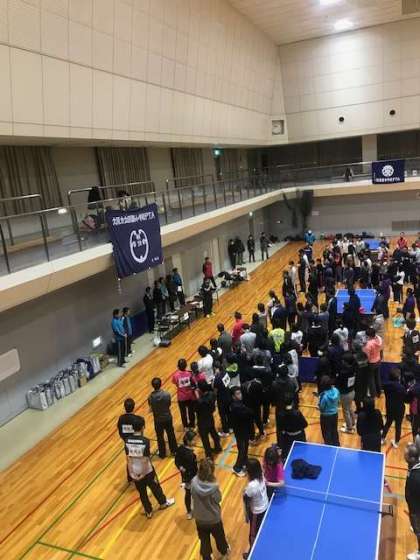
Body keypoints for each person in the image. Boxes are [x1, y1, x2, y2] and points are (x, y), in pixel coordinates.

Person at [125, 417, 175, 518]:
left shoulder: (127, 441)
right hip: (147, 471)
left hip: (135, 471)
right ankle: (163, 503)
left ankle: (148, 511)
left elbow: (128, 458)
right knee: (155, 487)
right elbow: (145, 459)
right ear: (142, 427)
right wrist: (143, 474)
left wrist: (131, 473)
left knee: (142, 493)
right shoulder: (145, 441)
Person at [191, 458, 230, 560]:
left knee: (204, 540)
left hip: (199, 518)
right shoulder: (214, 486)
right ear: (212, 471)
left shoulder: (194, 482)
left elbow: (192, 495)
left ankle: (206, 557)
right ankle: (224, 552)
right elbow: (218, 499)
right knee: (219, 538)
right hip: (213, 519)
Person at [243, 458, 269, 559]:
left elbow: (246, 500)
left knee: (252, 534)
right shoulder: (261, 475)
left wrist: (246, 515)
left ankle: (252, 554)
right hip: (265, 506)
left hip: (257, 512)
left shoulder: (252, 486)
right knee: (259, 530)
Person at [148, 377, 177, 459]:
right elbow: (168, 404)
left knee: (160, 436)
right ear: (160, 384)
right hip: (167, 417)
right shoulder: (166, 394)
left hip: (158, 420)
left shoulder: (150, 397)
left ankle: (162, 453)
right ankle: (174, 451)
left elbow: (151, 407)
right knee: (171, 434)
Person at [230, 386, 254, 477]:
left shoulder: (240, 404)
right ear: (233, 396)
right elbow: (249, 413)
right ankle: (236, 467)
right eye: (237, 394)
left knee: (245, 447)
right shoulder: (236, 407)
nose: (240, 395)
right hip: (240, 431)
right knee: (242, 449)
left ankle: (244, 462)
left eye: (240, 393)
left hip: (244, 429)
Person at [195, 381, 222, 458]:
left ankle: (209, 455)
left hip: (202, 422)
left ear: (200, 390)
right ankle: (218, 447)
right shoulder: (212, 394)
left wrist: (197, 397)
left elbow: (195, 409)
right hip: (210, 418)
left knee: (205, 439)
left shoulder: (200, 401)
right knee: (213, 433)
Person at [175, 430, 198, 519]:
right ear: (188, 441)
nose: (196, 441)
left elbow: (177, 461)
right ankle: (190, 511)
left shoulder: (180, 448)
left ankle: (190, 511)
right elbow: (193, 468)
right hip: (190, 477)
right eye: (194, 440)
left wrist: (180, 467)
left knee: (189, 494)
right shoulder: (190, 455)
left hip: (187, 476)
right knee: (191, 494)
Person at [381, 368, 406, 448]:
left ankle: (382, 438)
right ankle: (396, 442)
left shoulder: (386, 385)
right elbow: (406, 399)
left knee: (388, 422)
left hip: (390, 407)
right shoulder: (401, 387)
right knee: (398, 425)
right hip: (400, 408)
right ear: (398, 377)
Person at [405, 439, 420, 560]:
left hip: (416, 508)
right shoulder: (414, 467)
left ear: (411, 458)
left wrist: (415, 514)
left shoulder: (415, 477)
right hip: (414, 506)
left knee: (418, 531)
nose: (403, 456)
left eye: (405, 454)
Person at [336, 352, 357, 434]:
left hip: (345, 394)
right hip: (352, 391)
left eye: (343, 360)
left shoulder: (343, 373)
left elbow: (338, 383)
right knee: (350, 407)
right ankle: (353, 422)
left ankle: (349, 428)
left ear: (346, 362)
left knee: (345, 411)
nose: (342, 361)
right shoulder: (353, 369)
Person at [172, 358, 195, 429]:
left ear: (178, 366)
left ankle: (185, 426)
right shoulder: (190, 373)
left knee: (183, 413)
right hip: (190, 396)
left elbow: (175, 382)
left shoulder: (175, 375)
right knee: (191, 411)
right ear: (186, 365)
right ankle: (192, 425)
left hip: (181, 397)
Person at [318, 376, 340, 447]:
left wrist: (318, 404)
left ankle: (328, 446)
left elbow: (322, 408)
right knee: (334, 430)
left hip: (325, 417)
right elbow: (338, 402)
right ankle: (336, 444)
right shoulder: (336, 390)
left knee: (326, 432)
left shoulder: (324, 396)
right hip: (335, 414)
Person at [363, 327, 383, 398]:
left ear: (369, 336)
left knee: (371, 379)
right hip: (378, 360)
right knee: (377, 377)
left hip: (371, 363)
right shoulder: (379, 339)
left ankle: (373, 395)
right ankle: (379, 392)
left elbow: (367, 356)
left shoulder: (368, 345)